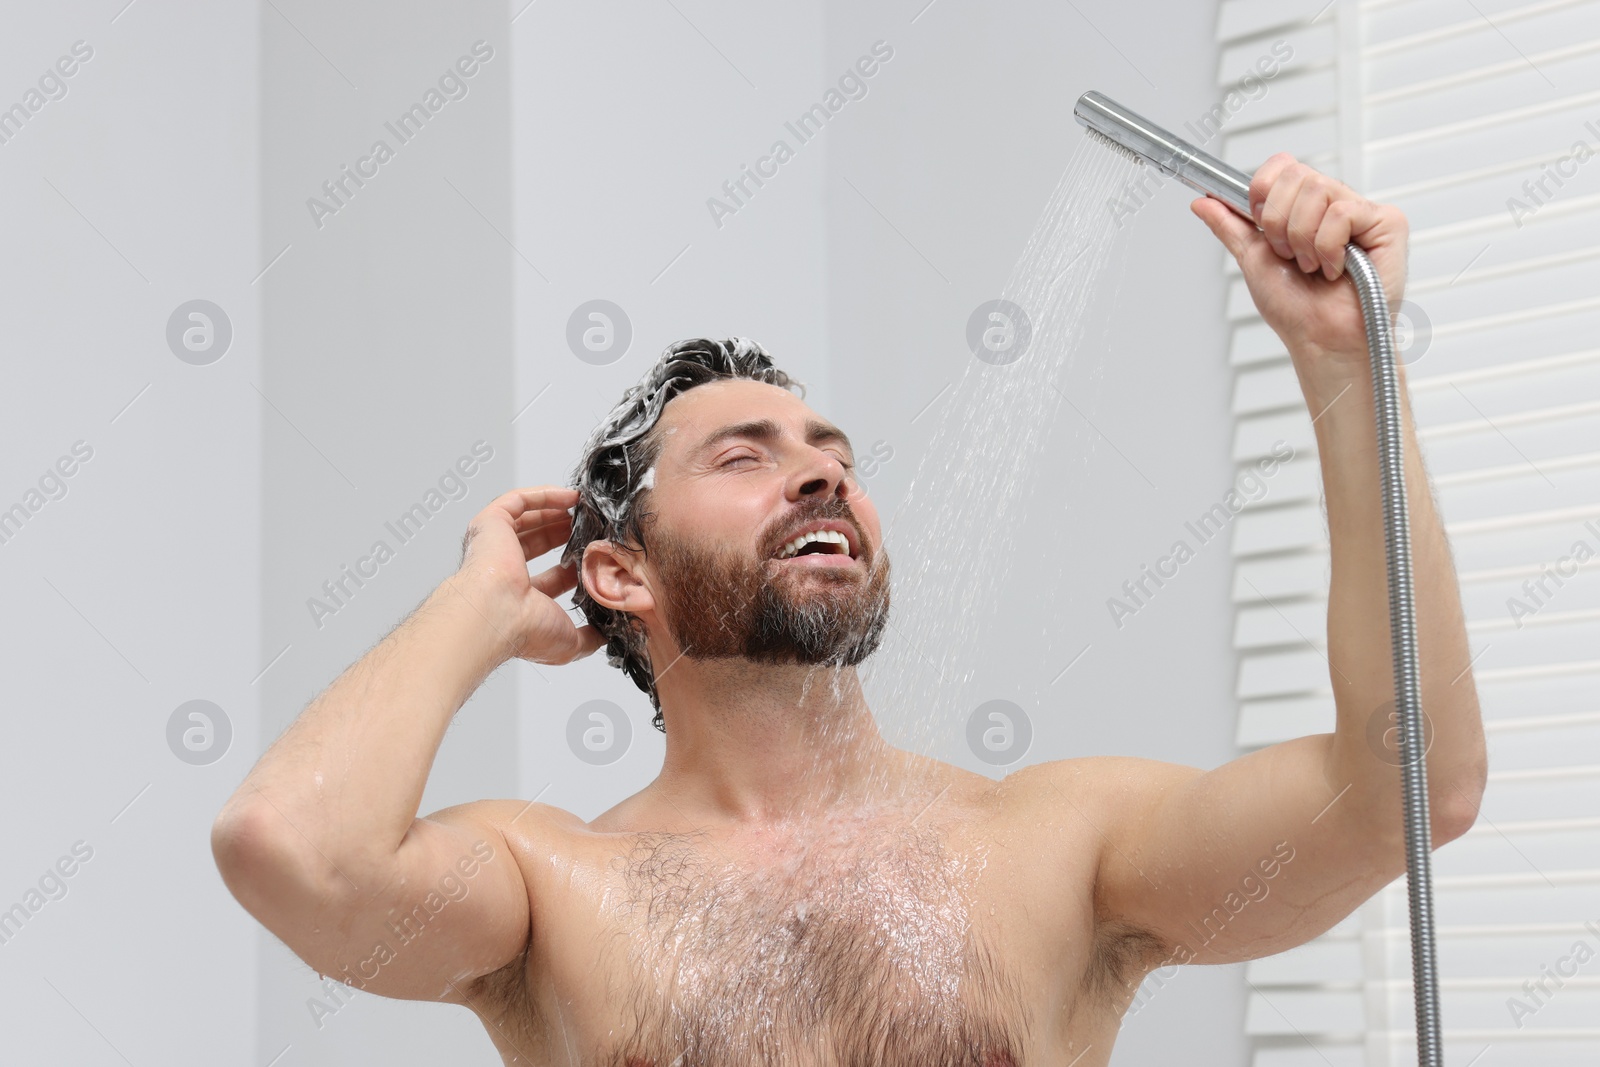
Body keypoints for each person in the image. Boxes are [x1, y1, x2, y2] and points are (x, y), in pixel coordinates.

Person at [211, 155, 1488, 1066]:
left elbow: (1408, 787)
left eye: (832, 452)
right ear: (620, 573)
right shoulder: (554, 886)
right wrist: (474, 605)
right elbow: (289, 845)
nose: (820, 470)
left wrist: (1341, 367)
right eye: (742, 456)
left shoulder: (1055, 843)